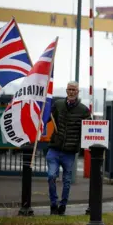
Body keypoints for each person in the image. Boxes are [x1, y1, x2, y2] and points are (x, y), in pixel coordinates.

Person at [47, 81, 91, 215]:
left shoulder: (83, 110)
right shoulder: (58, 104)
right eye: (69, 89)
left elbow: (89, 129)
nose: (71, 92)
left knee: (67, 181)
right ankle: (53, 204)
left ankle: (63, 206)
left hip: (70, 152)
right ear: (66, 91)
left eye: (74, 90)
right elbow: (47, 118)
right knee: (51, 176)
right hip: (54, 149)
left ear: (78, 92)